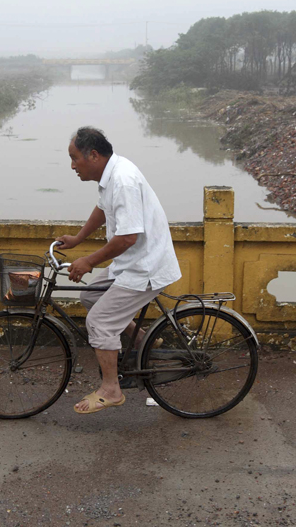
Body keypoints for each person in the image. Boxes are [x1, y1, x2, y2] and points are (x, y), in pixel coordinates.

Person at [56, 126, 181, 414]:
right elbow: (102, 209)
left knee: (99, 322)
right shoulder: (111, 174)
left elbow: (127, 238)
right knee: (90, 297)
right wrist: (78, 239)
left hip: (144, 267)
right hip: (132, 262)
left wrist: (89, 260)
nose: (73, 166)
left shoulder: (122, 180)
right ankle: (141, 339)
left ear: (94, 155)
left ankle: (111, 390)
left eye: (75, 158)